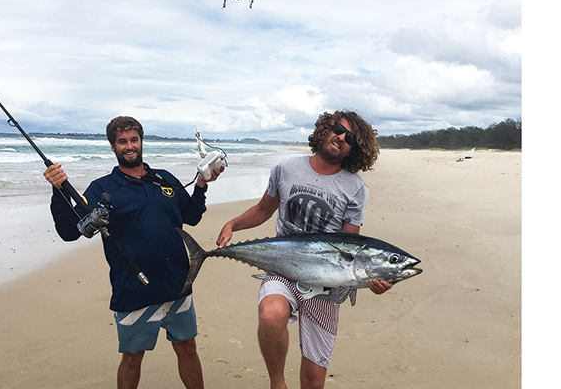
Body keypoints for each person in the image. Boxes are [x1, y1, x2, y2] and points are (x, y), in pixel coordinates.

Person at [44, 116, 223, 389]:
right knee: (132, 358)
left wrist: (201, 184)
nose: (129, 146)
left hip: (178, 282)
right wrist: (59, 192)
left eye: (134, 140)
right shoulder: (102, 188)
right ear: (113, 147)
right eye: (122, 142)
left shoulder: (163, 179)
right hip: (134, 288)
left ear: (141, 141)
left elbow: (192, 215)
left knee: (188, 348)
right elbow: (70, 231)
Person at [216, 110, 392, 389]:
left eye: (350, 138)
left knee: (313, 381)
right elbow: (263, 209)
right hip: (283, 266)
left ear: (354, 150)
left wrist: (367, 279)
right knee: (272, 313)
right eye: (338, 129)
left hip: (326, 283)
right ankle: (277, 384)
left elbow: (351, 246)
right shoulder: (287, 168)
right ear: (325, 129)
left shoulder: (355, 187)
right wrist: (233, 224)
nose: (341, 137)